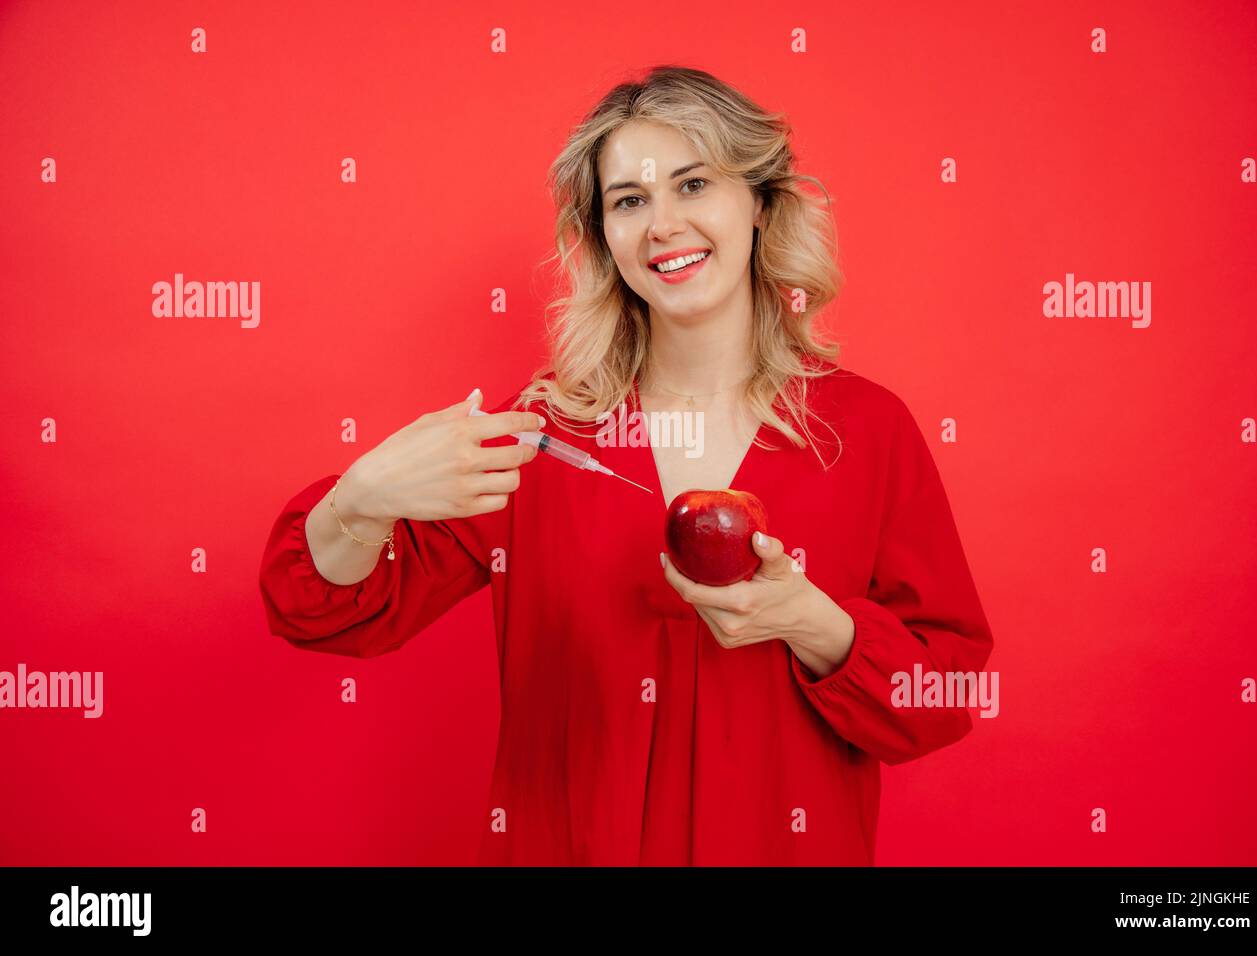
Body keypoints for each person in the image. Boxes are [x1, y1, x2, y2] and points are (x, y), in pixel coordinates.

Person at [258, 65, 994, 866]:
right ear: (603, 235)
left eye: (693, 183)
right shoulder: (542, 436)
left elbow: (942, 695)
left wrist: (812, 624)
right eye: (630, 200)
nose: (663, 226)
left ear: (758, 202)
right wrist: (358, 503)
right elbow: (327, 609)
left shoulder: (867, 431)